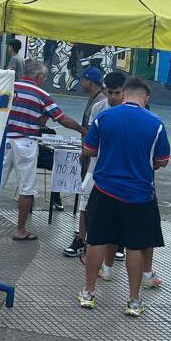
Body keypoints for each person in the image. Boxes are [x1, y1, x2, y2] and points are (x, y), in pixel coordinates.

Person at [77, 78, 170, 315]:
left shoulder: (105, 118)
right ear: (146, 98)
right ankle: (134, 300)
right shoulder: (156, 123)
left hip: (105, 190)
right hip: (139, 196)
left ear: (125, 94)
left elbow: (89, 150)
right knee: (135, 247)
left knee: (96, 240)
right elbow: (161, 161)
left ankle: (88, 293)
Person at [5, 60, 84, 241]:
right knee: (27, 188)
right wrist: (81, 130)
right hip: (26, 143)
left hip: (4, 141)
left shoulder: (8, 87)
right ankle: (20, 230)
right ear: (39, 77)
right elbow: (61, 118)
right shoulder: (41, 94)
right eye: (44, 77)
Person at [63, 67, 114, 260]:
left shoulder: (101, 103)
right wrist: (86, 151)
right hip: (94, 158)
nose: (113, 96)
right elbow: (91, 136)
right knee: (86, 197)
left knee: (97, 200)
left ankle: (111, 244)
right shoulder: (97, 104)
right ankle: (82, 239)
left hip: (102, 162)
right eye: (111, 92)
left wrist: (87, 151)